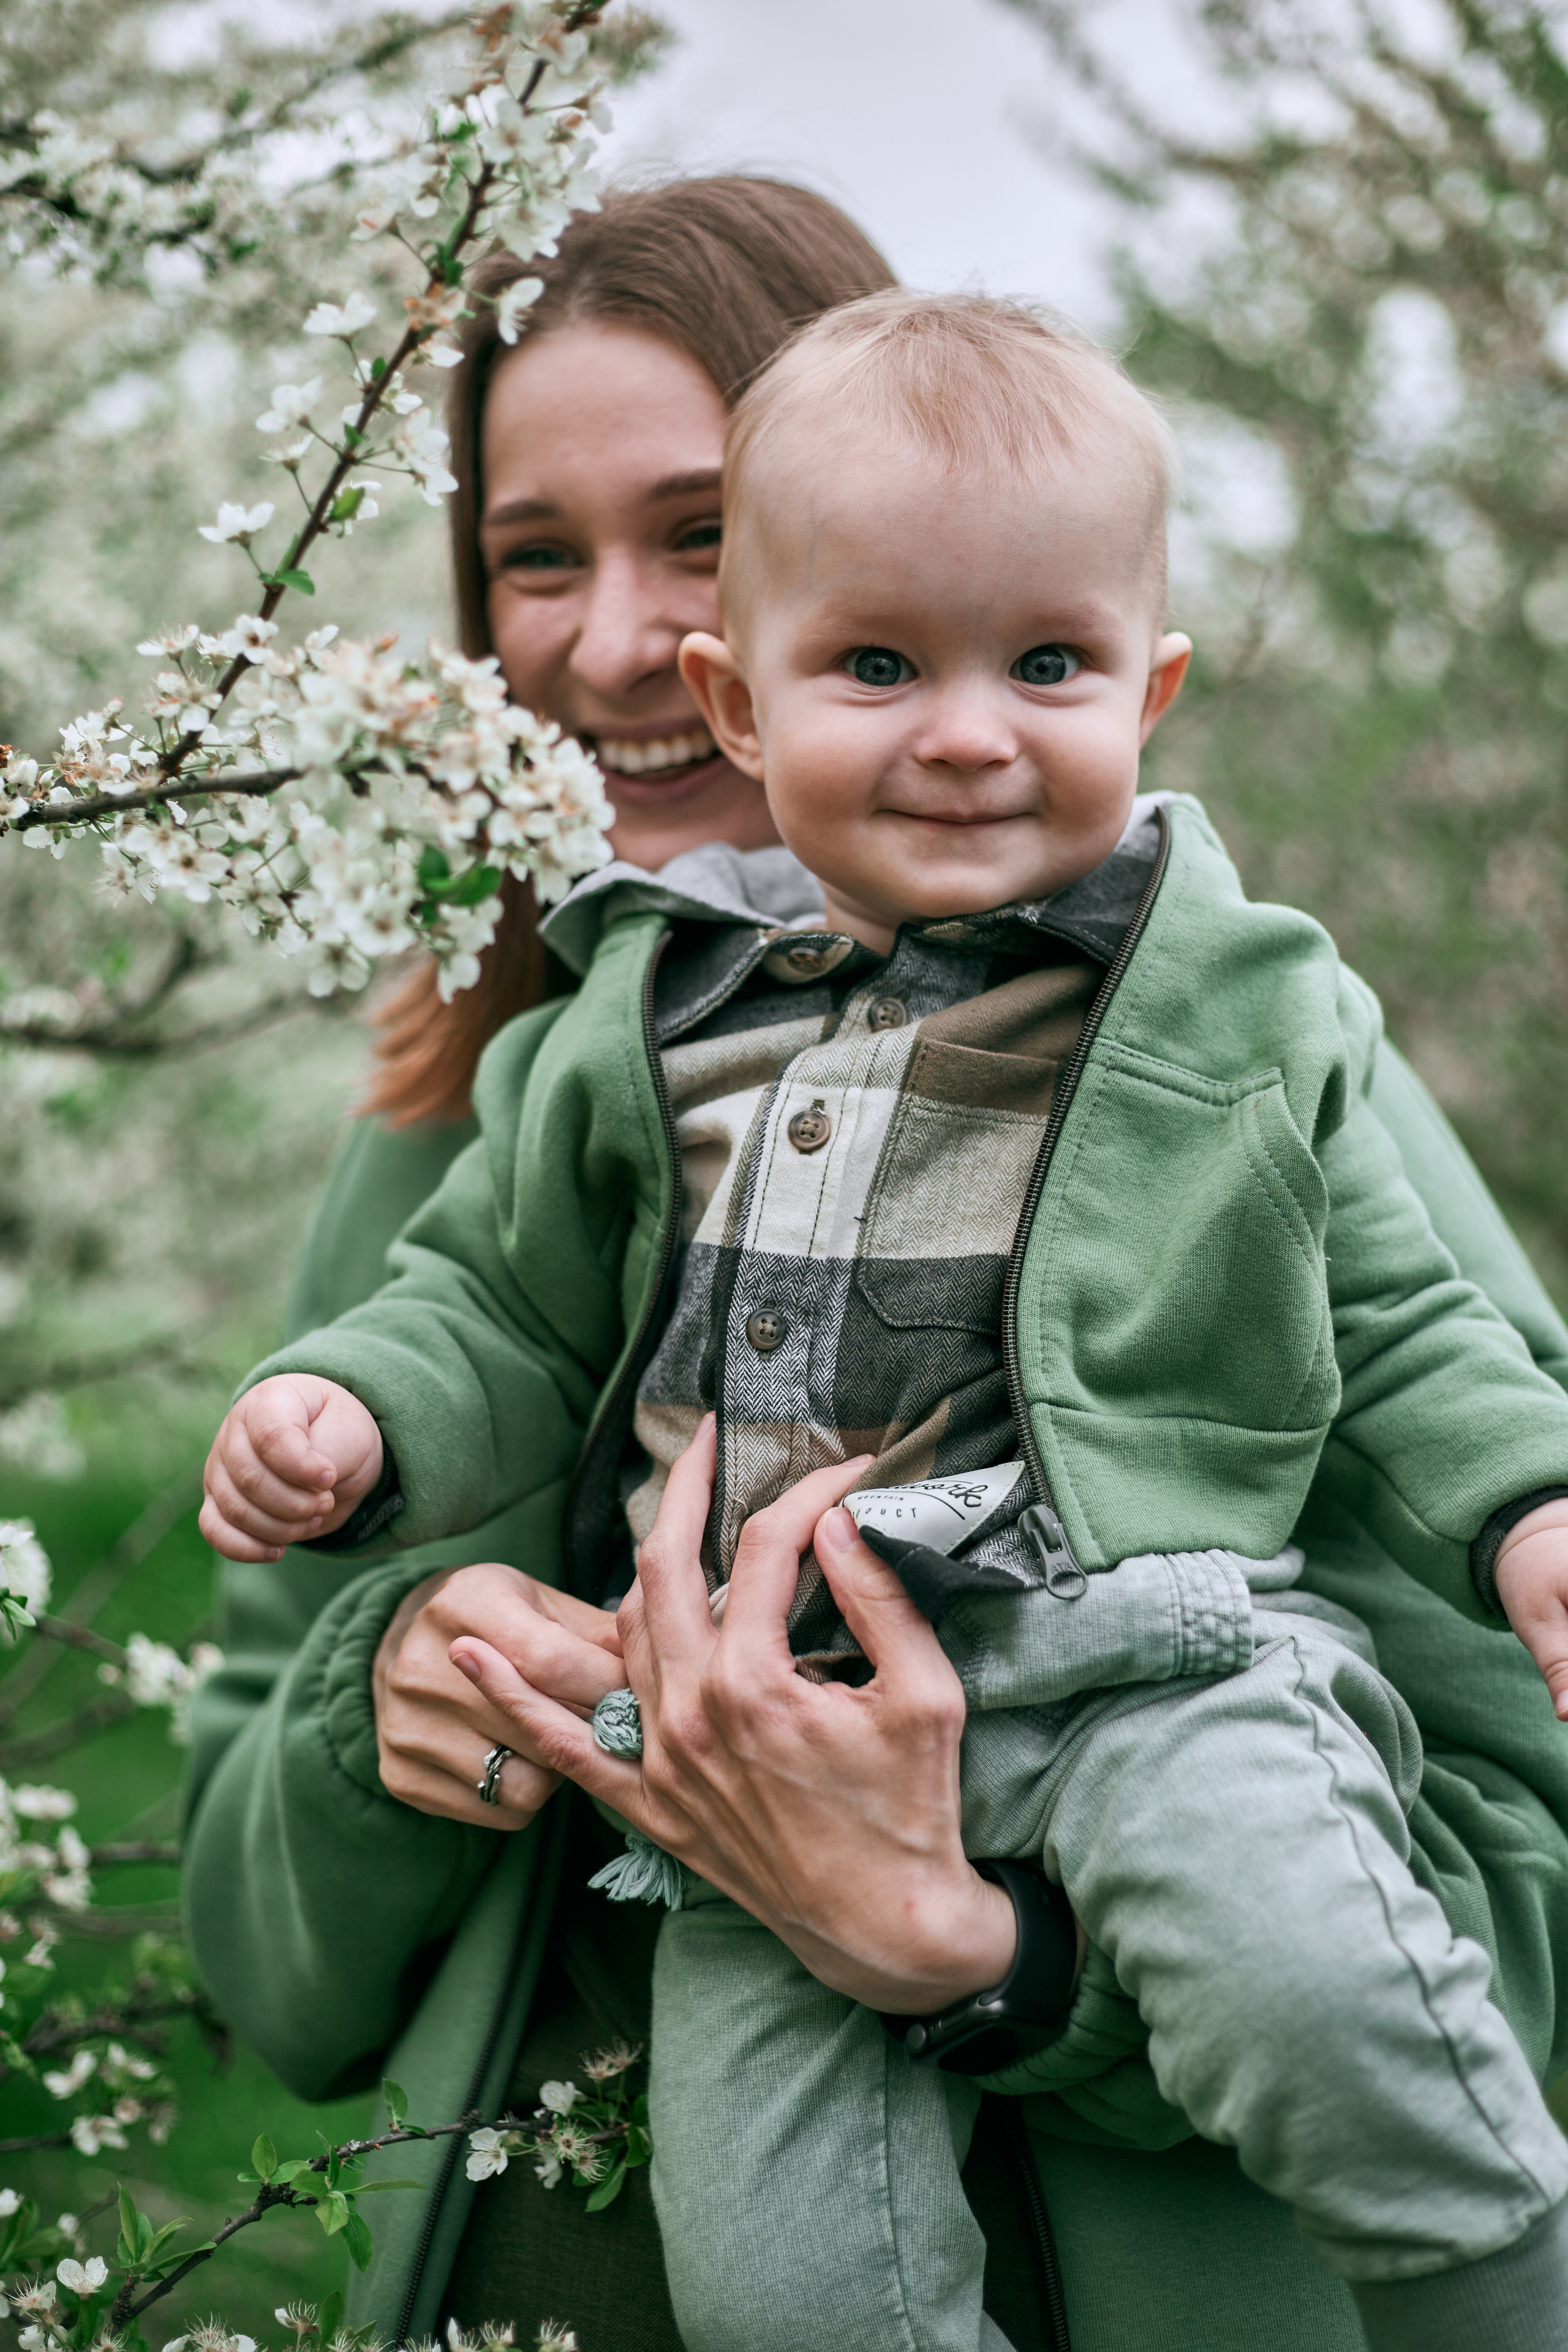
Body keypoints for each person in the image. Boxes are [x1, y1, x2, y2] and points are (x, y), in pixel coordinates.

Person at [181, 181, 1568, 2352]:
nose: (615, 638)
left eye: (700, 529)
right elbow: (268, 1982)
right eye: (535, 556)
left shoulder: (1209, 1073)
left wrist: (980, 1958)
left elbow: (1516, 1882)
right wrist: (389, 1705)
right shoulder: (469, 1126)